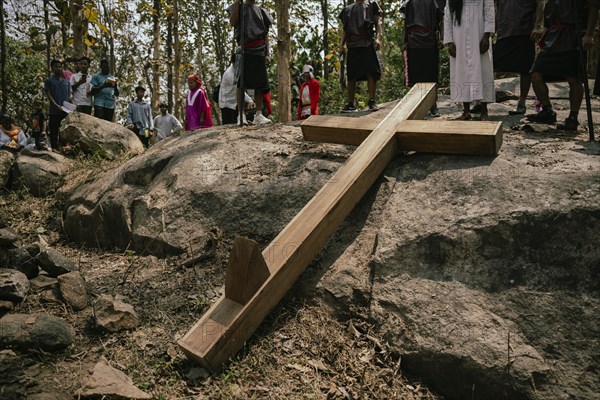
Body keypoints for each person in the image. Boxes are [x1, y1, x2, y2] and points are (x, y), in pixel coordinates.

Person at [527, 0, 600, 131]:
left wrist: (588, 35)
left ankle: (573, 117)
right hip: (552, 37)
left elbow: (594, 7)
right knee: (536, 74)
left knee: (573, 78)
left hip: (573, 35)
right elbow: (549, 17)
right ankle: (547, 110)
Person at [444, 0, 495, 120]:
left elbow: (489, 10)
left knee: (483, 69)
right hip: (458, 37)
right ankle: (466, 111)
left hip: (479, 34)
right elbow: (448, 16)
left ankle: (484, 111)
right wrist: (449, 41)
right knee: (461, 71)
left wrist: (487, 36)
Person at [228, 0, 274, 124]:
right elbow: (233, 22)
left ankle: (258, 114)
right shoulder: (238, 7)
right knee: (241, 83)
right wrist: (237, 5)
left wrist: (267, 53)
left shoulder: (261, 11)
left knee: (260, 84)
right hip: (244, 49)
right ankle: (241, 115)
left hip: (259, 50)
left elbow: (265, 35)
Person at [493, 0, 543, 115]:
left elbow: (540, 4)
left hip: (525, 31)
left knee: (525, 69)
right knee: (490, 64)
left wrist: (537, 26)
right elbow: (495, 8)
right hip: (504, 32)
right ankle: (481, 101)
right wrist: (491, 30)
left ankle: (522, 102)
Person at [401, 0, 445, 117]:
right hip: (413, 41)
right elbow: (405, 23)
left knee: (431, 74)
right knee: (416, 75)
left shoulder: (433, 2)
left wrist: (442, 38)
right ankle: (415, 104)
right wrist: (404, 41)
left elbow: (440, 21)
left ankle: (433, 105)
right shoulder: (409, 3)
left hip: (430, 40)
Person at [339, 0, 383, 112]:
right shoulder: (348, 10)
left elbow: (378, 23)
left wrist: (378, 38)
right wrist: (341, 45)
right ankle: (350, 103)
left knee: (371, 72)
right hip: (353, 45)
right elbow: (344, 29)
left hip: (367, 42)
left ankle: (372, 101)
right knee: (351, 74)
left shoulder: (372, 5)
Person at [219, 54, 255, 125]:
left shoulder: (238, 71)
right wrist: (250, 100)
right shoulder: (229, 74)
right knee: (228, 126)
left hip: (234, 103)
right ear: (233, 62)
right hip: (227, 104)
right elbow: (239, 90)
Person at [44, 59, 72, 151]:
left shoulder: (67, 82)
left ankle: (64, 147)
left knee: (64, 130)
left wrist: (72, 105)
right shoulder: (49, 81)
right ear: (52, 68)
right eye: (56, 67)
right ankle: (54, 148)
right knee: (54, 130)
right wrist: (55, 105)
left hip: (65, 110)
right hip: (54, 110)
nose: (58, 68)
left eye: (60, 67)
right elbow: (48, 94)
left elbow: (70, 96)